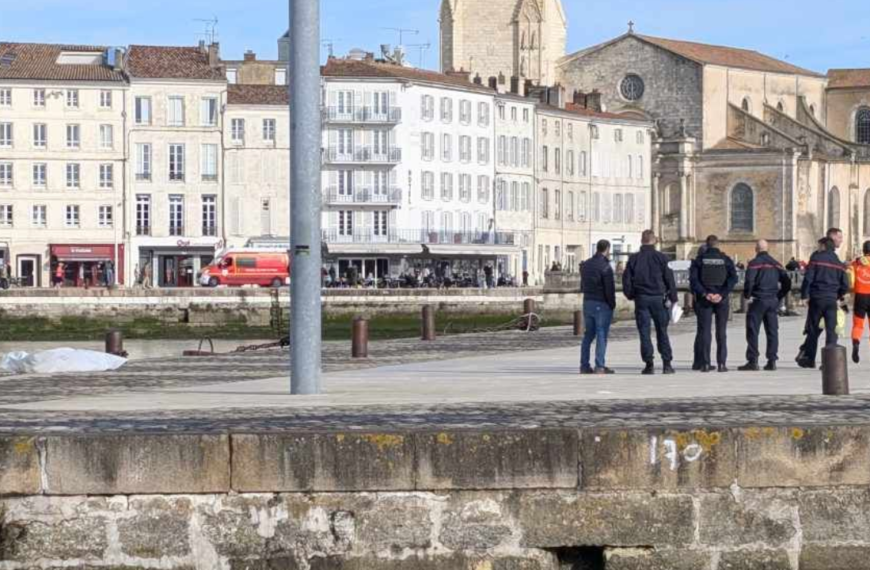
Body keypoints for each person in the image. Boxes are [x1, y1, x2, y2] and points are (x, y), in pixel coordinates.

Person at [623, 230, 678, 375]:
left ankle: (649, 364)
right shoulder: (662, 258)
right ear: (654, 241)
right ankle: (667, 364)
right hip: (658, 298)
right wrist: (673, 298)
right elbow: (669, 279)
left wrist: (631, 295)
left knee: (644, 332)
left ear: (642, 240)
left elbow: (626, 280)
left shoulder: (634, 259)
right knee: (662, 331)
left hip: (641, 298)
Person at [739, 240, 792, 371]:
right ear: (767, 249)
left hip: (758, 299)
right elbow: (787, 282)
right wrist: (779, 295)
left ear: (756, 249)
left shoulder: (754, 263)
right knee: (772, 331)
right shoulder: (776, 264)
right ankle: (772, 360)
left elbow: (749, 281)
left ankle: (753, 360)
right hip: (772, 300)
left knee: (753, 330)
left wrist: (747, 295)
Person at [689, 235, 739, 372]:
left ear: (707, 245)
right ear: (718, 244)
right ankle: (721, 364)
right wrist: (721, 294)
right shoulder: (726, 260)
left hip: (704, 299)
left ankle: (705, 363)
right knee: (721, 331)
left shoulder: (699, 260)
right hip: (721, 300)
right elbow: (733, 278)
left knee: (705, 331)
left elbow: (693, 280)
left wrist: (705, 293)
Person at [798, 237, 849, 368]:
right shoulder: (839, 263)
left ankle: (809, 359)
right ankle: (829, 362)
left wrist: (804, 295)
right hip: (831, 299)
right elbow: (845, 284)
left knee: (813, 329)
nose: (817, 248)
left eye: (819, 245)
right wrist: (837, 295)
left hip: (817, 298)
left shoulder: (816, 259)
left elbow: (808, 278)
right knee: (831, 330)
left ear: (824, 246)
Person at [580, 240, 617, 375]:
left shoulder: (586, 265)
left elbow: (582, 285)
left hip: (587, 301)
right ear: (607, 249)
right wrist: (612, 304)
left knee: (588, 335)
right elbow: (609, 289)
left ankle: (584, 365)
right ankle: (599, 365)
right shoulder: (605, 266)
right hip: (601, 303)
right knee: (601, 334)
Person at [849, 241, 870, 363]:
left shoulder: (856, 263)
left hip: (860, 296)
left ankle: (856, 343)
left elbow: (850, 280)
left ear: (863, 250)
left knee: (858, 325)